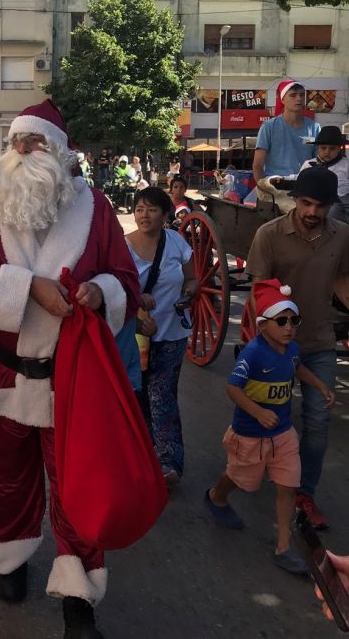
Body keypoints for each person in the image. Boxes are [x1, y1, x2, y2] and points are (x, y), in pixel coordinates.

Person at [0, 99, 140, 637]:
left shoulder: (96, 208)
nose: (22, 150)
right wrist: (28, 286)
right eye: (15, 142)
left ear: (59, 151)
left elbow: (125, 278)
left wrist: (99, 293)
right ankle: (9, 561)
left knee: (79, 483)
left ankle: (78, 594)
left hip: (71, 381)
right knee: (1, 478)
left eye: (34, 142)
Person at [204, 280, 335, 574]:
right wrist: (258, 412)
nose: (289, 327)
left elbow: (296, 367)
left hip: (283, 434)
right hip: (250, 435)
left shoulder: (292, 350)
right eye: (282, 321)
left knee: (288, 488)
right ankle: (216, 496)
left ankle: (283, 548)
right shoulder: (252, 353)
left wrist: (319, 385)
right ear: (263, 325)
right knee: (239, 478)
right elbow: (233, 388)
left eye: (293, 320)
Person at [246, 166, 349, 530]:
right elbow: (260, 292)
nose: (312, 212)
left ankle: (304, 493)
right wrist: (272, 339)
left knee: (319, 420)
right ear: (294, 200)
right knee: (268, 417)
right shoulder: (268, 235)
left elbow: (341, 279)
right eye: (306, 203)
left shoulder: (342, 236)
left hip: (320, 341)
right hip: (275, 347)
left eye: (320, 206)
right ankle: (248, 471)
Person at [126, 186, 197, 485]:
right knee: (138, 394)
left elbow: (192, 279)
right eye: (140, 209)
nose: (145, 215)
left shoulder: (176, 242)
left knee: (162, 393)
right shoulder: (123, 246)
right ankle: (143, 454)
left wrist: (189, 293)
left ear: (165, 214)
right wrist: (137, 296)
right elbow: (114, 286)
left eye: (152, 209)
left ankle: (169, 462)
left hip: (172, 332)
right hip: (134, 335)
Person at [254, 80, 320, 208]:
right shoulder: (269, 127)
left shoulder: (315, 127)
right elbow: (257, 165)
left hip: (305, 187)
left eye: (302, 95)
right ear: (283, 99)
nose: (299, 98)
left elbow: (319, 162)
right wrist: (266, 190)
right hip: (275, 186)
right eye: (293, 95)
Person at [298, 125, 349, 223]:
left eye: (332, 148)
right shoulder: (309, 164)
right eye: (323, 148)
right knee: (332, 212)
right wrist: (281, 178)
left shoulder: (346, 164)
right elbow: (298, 178)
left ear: (339, 148)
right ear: (317, 148)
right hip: (321, 199)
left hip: (345, 197)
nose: (327, 152)